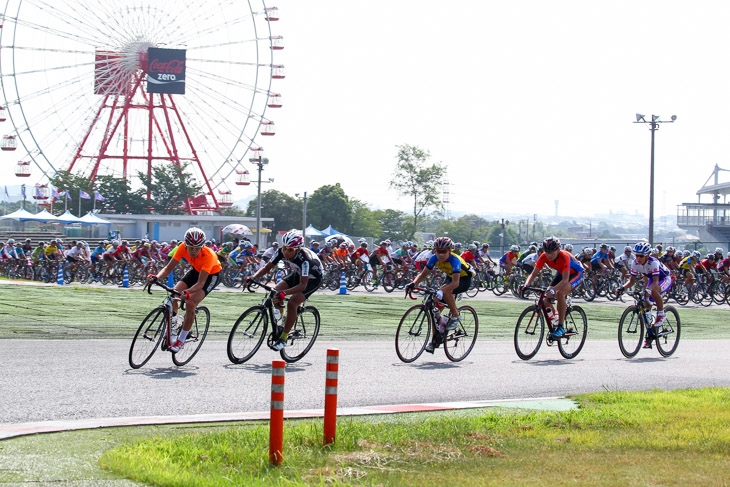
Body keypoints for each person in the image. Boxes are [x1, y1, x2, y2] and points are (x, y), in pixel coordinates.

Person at [148, 227, 221, 353]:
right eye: (190, 248)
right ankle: (174, 323)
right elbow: (168, 268)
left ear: (202, 246)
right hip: (196, 270)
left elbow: (200, 283)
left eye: (197, 248)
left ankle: (181, 340)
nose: (193, 251)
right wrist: (156, 277)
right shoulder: (182, 247)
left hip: (211, 276)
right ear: (185, 245)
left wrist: (187, 293)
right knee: (174, 293)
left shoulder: (208, 255)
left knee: (191, 302)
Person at [247, 230, 323, 351]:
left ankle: (283, 337)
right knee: (274, 292)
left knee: (292, 302)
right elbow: (267, 267)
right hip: (297, 273)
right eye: (285, 248)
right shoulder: (281, 252)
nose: (286, 252)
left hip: (312, 279)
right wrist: (253, 277)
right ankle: (282, 321)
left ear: (298, 250)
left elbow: (303, 286)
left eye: (290, 250)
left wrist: (285, 293)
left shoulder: (305, 260)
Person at [406, 236, 473, 354]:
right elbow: (423, 274)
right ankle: (435, 339)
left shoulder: (455, 260)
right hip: (450, 276)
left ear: (449, 251)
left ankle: (456, 314)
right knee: (435, 308)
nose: (441, 254)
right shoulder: (433, 258)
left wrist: (442, 291)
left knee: (445, 291)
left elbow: (455, 283)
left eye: (444, 252)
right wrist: (413, 283)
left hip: (463, 279)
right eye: (438, 251)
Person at [520, 237, 583, 338]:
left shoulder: (564, 256)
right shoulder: (543, 256)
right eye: (546, 252)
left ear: (558, 250)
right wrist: (526, 285)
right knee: (545, 299)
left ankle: (561, 327)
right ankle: (556, 320)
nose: (548, 255)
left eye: (551, 252)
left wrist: (554, 290)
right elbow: (533, 274)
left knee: (560, 293)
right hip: (561, 272)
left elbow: (565, 280)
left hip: (575, 274)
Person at [617, 241, 672, 349]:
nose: (638, 258)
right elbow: (632, 281)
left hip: (664, 279)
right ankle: (650, 336)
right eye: (637, 255)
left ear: (647, 255)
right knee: (645, 308)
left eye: (641, 256)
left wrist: (648, 290)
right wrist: (622, 288)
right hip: (652, 279)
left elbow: (656, 283)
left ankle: (661, 314)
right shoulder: (635, 263)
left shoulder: (653, 263)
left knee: (654, 291)